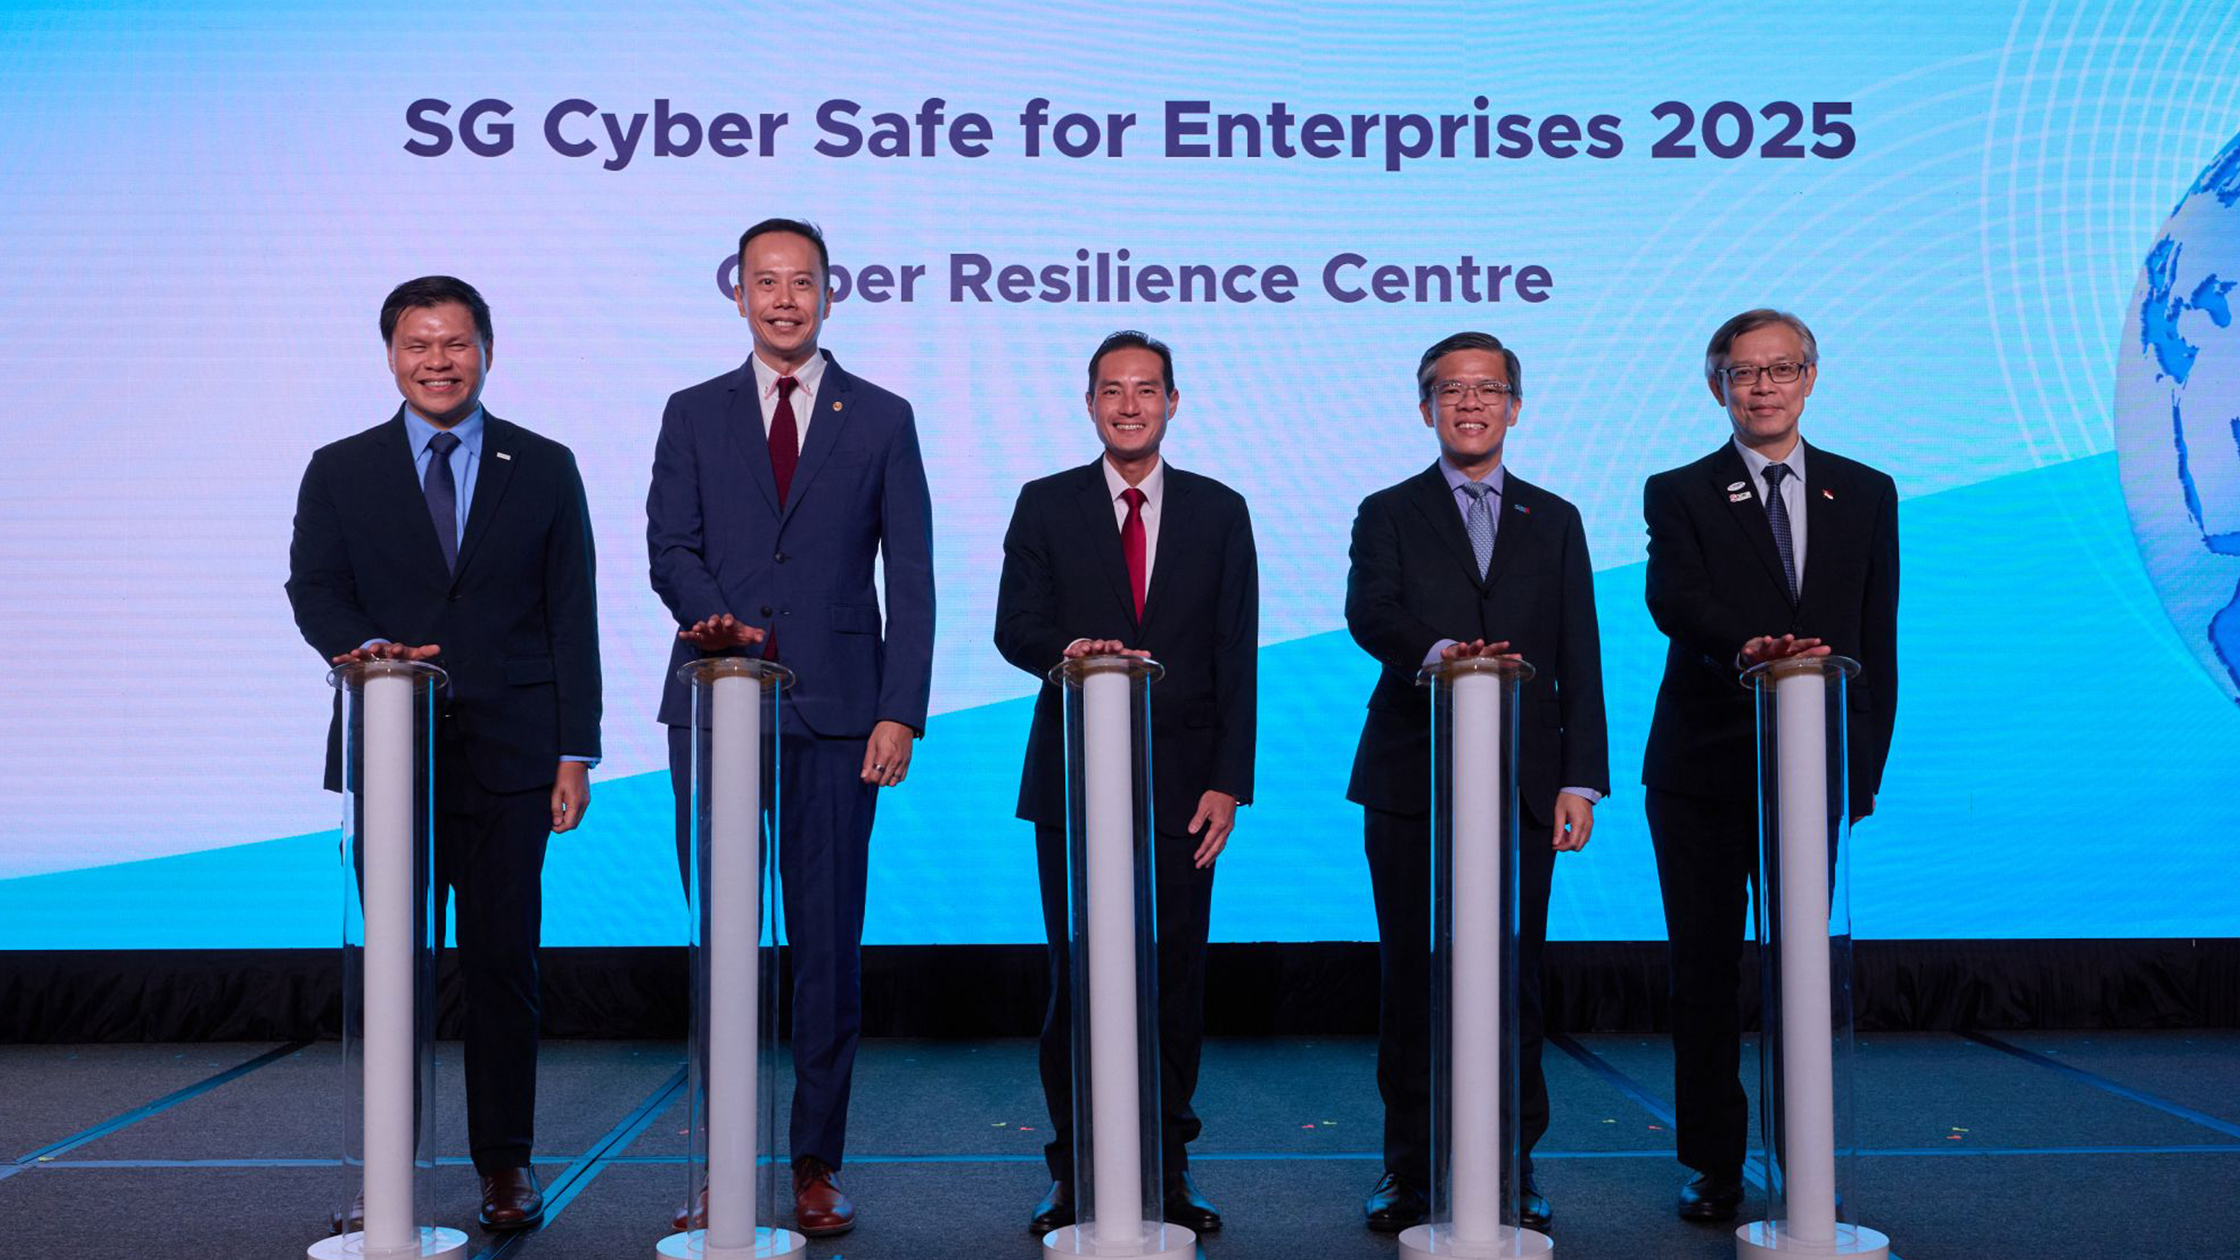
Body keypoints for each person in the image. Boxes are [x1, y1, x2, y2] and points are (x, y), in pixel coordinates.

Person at [287, 275, 601, 1233]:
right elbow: (314, 589)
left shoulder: (542, 465)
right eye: (419, 345)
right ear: (391, 355)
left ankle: (505, 1164)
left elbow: (571, 613)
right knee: (394, 970)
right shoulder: (340, 469)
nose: (438, 361)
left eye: (456, 343)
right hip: (393, 751)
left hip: (513, 757)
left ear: (487, 352)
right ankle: (388, 1169)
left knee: (503, 966)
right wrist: (365, 651)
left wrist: (575, 751)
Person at [646, 218, 934, 1237]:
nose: (782, 299)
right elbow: (668, 546)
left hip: (841, 713)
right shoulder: (692, 412)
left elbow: (911, 574)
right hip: (716, 701)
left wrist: (900, 709)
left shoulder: (882, 416)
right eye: (764, 282)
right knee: (723, 941)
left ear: (827, 293)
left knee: (826, 945)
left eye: (800, 282)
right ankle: (724, 1161)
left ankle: (815, 1161)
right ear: (738, 294)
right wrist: (712, 619)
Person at [994, 331, 1258, 1238]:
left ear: (1172, 403)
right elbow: (1014, 626)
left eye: (1147, 389)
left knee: (1173, 978)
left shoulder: (1220, 510)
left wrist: (1230, 782)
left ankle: (1165, 1166)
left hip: (1186, 787)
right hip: (1073, 777)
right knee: (1077, 975)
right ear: (1090, 403)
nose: (1130, 405)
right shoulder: (1046, 503)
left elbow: (1235, 652)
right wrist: (1067, 651)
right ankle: (1075, 1171)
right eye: (1113, 390)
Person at [1345, 331, 1608, 1234]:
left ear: (1514, 407)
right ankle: (1411, 1168)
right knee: (1413, 978)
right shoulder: (1388, 511)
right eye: (1450, 389)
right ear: (1426, 408)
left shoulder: (1556, 518)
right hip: (1410, 779)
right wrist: (1438, 654)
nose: (1469, 402)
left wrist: (1582, 779)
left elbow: (1580, 650)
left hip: (1525, 784)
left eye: (1487, 389)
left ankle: (1510, 1163)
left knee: (1515, 978)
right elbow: (1369, 612)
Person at [1641, 308, 1898, 1222]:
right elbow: (1673, 599)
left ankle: (1805, 1159)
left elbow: (1876, 639)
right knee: (1705, 974)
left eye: (1781, 369)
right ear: (1717, 386)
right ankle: (1714, 1164)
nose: (1763, 387)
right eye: (1744, 372)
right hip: (1702, 769)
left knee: (1800, 972)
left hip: (1812, 769)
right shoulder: (1679, 490)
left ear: (1809, 379)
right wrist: (1746, 646)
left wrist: (1860, 771)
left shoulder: (1865, 491)